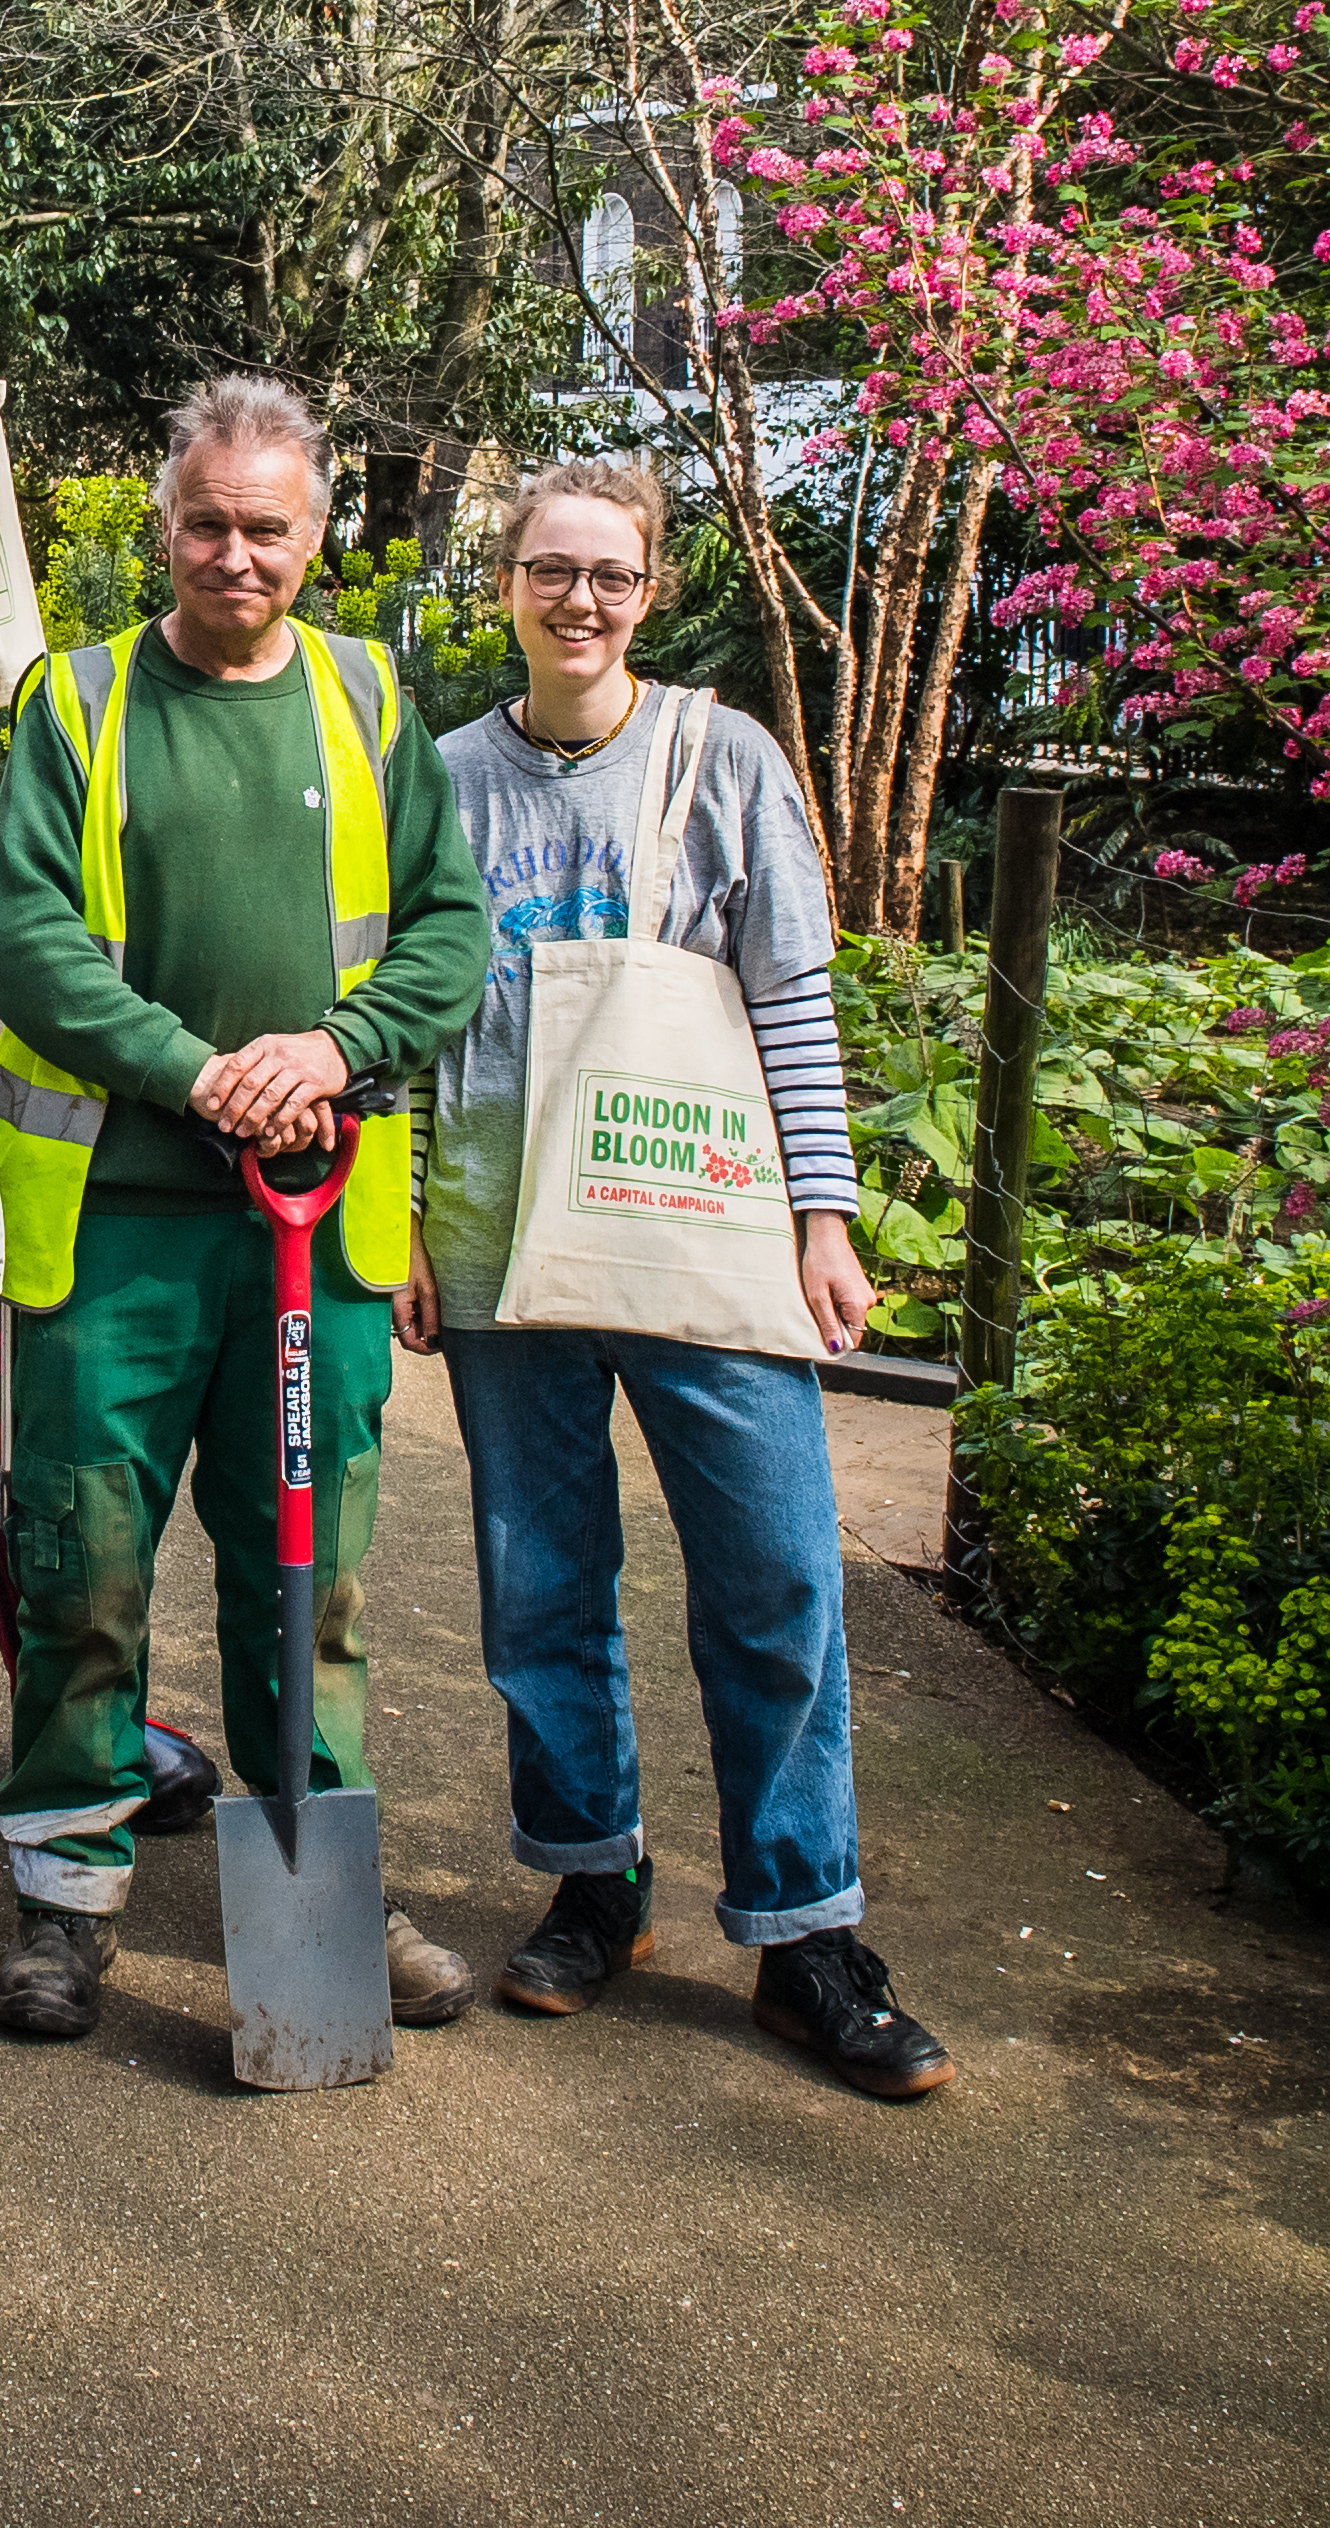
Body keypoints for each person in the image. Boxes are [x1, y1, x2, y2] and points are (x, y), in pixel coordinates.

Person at [393, 459, 955, 2100]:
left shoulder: (724, 757)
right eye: (550, 568)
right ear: (506, 581)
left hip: (700, 1236)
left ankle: (805, 1931)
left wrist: (824, 1217)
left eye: (611, 574)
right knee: (541, 1582)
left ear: (651, 590)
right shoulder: (441, 781)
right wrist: (406, 1223)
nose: (579, 599)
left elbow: (789, 998)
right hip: (502, 1245)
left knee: (775, 1574)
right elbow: (410, 1017)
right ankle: (594, 1880)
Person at [0, 374, 493, 2042]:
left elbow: (451, 932)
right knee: (83, 1559)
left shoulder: (368, 700)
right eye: (205, 522)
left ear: (315, 533)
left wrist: (333, 1047)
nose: (234, 554)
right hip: (113, 1226)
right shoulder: (78, 700)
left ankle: (322, 1881)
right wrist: (198, 1074)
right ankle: (66, 1893)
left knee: (306, 1569)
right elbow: (25, 940)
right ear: (164, 523)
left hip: (312, 1238)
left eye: (266, 527)